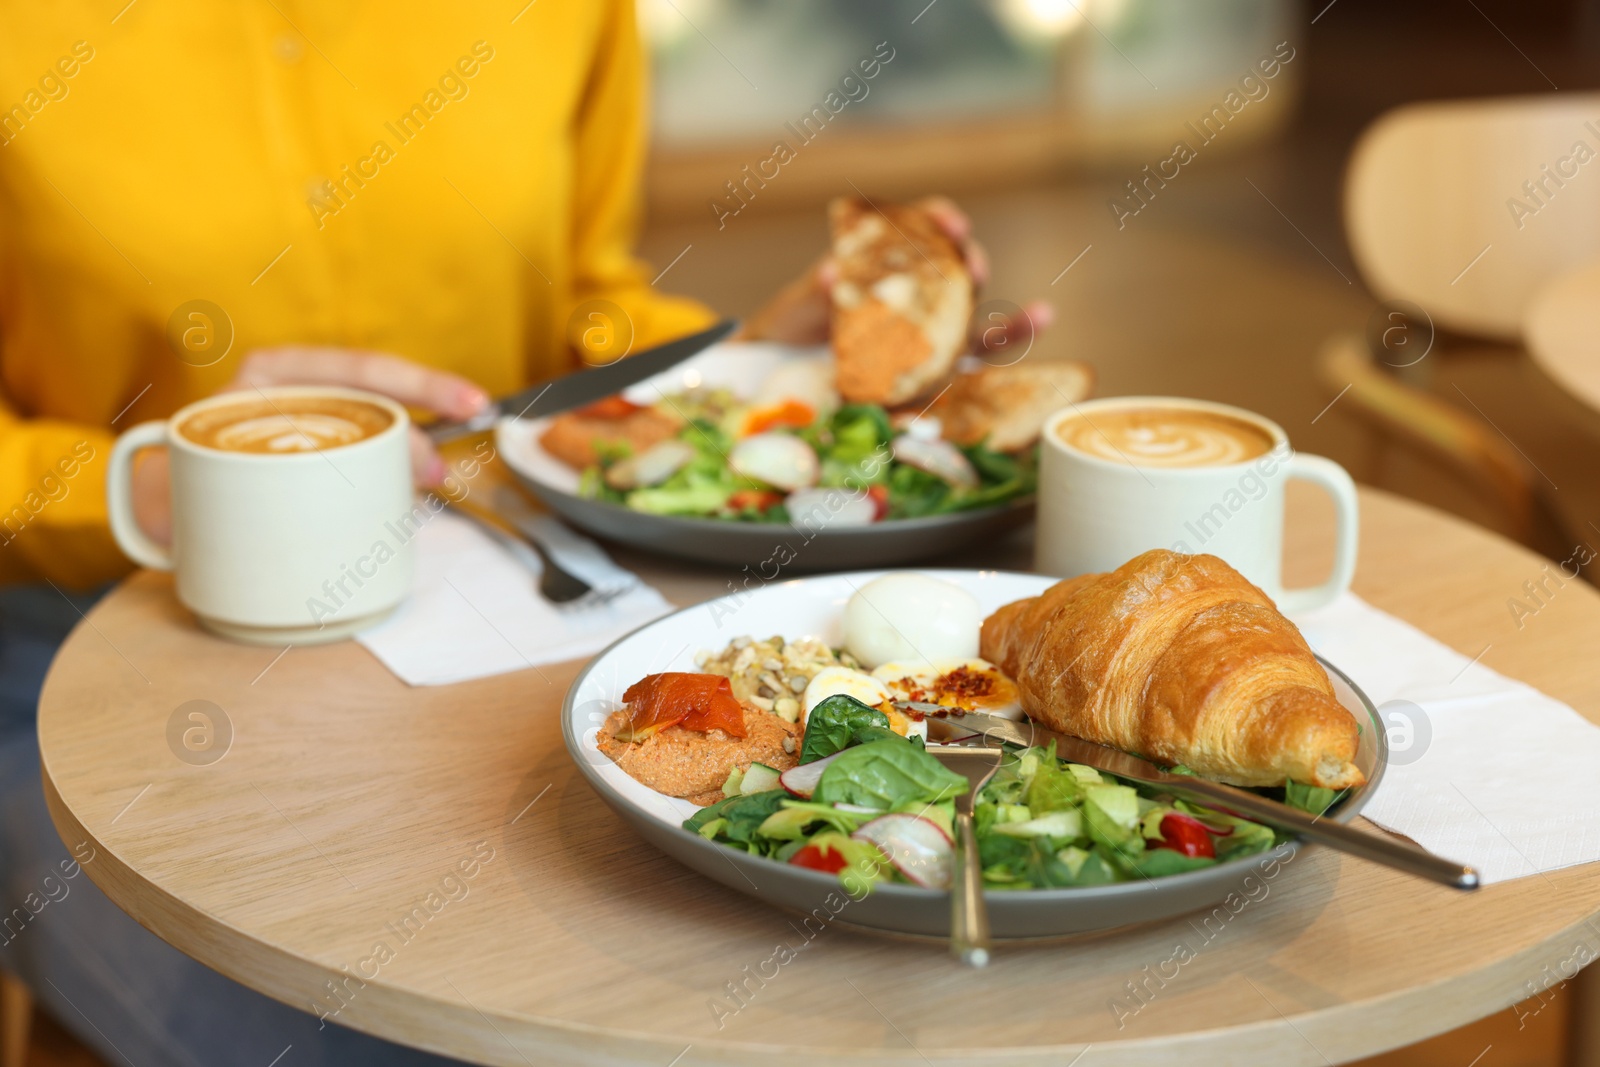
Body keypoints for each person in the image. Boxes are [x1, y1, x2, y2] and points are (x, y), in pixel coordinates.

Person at [0, 3, 1046, 1063]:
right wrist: (157, 492)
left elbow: (586, 304)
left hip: (496, 597)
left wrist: (759, 371)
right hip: (77, 657)